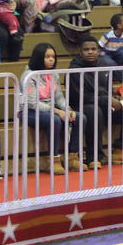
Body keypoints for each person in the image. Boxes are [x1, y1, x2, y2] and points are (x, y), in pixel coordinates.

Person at [67, 37, 123, 165]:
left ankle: (121, 150)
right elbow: (79, 97)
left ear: (98, 51)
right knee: (95, 111)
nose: (90, 52)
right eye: (86, 49)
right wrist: (107, 100)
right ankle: (94, 157)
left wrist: (115, 99)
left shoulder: (103, 65)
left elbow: (108, 89)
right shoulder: (74, 69)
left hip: (103, 104)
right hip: (83, 106)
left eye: (93, 49)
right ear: (80, 51)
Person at [21, 43, 91, 172]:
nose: (51, 59)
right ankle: (53, 160)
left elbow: (59, 98)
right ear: (39, 57)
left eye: (53, 56)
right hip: (29, 112)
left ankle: (72, 158)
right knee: (55, 120)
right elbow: (32, 103)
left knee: (80, 117)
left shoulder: (54, 74)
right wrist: (57, 112)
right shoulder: (28, 76)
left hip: (50, 110)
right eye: (47, 57)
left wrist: (68, 110)